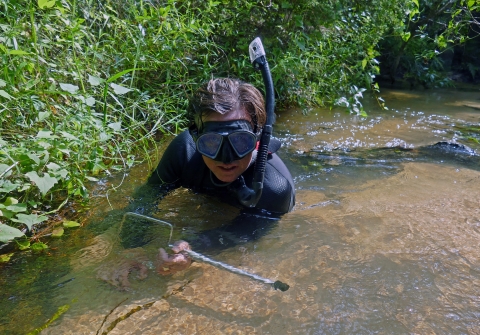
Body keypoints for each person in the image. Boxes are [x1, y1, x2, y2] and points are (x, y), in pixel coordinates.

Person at [148, 77, 296, 275]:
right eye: (211, 142)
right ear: (195, 137)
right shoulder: (184, 152)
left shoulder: (274, 189)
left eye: (241, 142)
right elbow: (146, 198)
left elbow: (244, 231)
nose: (227, 159)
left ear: (258, 138)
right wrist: (132, 250)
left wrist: (193, 247)